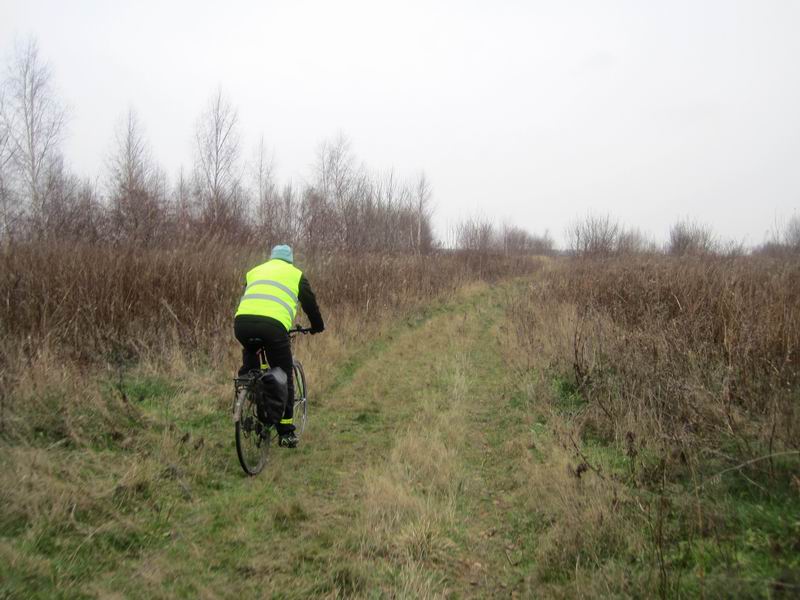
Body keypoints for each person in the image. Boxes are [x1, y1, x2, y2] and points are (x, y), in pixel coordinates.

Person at [234, 244, 324, 448]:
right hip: (273, 328)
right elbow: (310, 304)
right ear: (290, 260)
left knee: (251, 364)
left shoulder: (255, 271)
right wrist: (317, 326)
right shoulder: (295, 274)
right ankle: (286, 432)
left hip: (242, 325)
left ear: (271, 258)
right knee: (284, 374)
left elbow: (250, 298)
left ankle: (249, 390)